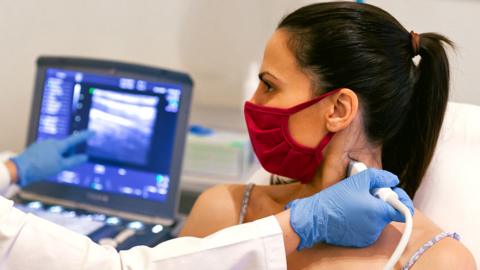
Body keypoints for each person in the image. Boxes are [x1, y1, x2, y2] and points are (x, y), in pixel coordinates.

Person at [180, 2, 476, 270]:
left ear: (338, 109)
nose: (254, 103)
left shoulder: (436, 261)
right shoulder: (223, 212)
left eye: (269, 86)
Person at [0, 132, 412, 269]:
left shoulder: (438, 254)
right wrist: (297, 226)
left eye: (270, 85)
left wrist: (11, 172)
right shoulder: (223, 206)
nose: (255, 103)